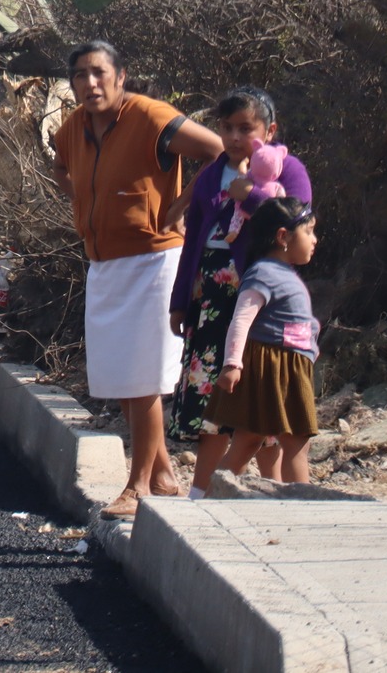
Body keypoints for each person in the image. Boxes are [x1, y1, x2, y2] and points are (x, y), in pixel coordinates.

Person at [48, 41, 224, 520]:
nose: (90, 83)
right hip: (103, 263)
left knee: (143, 378)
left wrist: (181, 205)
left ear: (120, 76)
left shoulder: (150, 116)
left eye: (99, 73)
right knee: (125, 379)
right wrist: (84, 200)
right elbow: (60, 166)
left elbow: (216, 150)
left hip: (153, 260)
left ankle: (139, 484)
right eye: (80, 75)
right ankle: (164, 474)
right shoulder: (75, 127)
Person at [168, 87, 306, 495]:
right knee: (210, 392)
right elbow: (193, 239)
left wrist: (256, 194)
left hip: (260, 294)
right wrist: (180, 300)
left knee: (257, 392)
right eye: (226, 128)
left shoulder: (288, 169)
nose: (233, 137)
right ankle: (202, 492)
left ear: (270, 129)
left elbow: (298, 226)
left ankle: (275, 490)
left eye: (246, 128)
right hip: (210, 294)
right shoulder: (212, 173)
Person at [206, 198, 321, 485]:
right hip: (271, 368)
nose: (314, 240)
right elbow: (241, 319)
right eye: (309, 232)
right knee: (295, 441)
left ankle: (212, 499)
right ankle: (301, 508)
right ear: (283, 236)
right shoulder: (263, 273)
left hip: (289, 368)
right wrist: (232, 363)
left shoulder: (285, 274)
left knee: (248, 441)